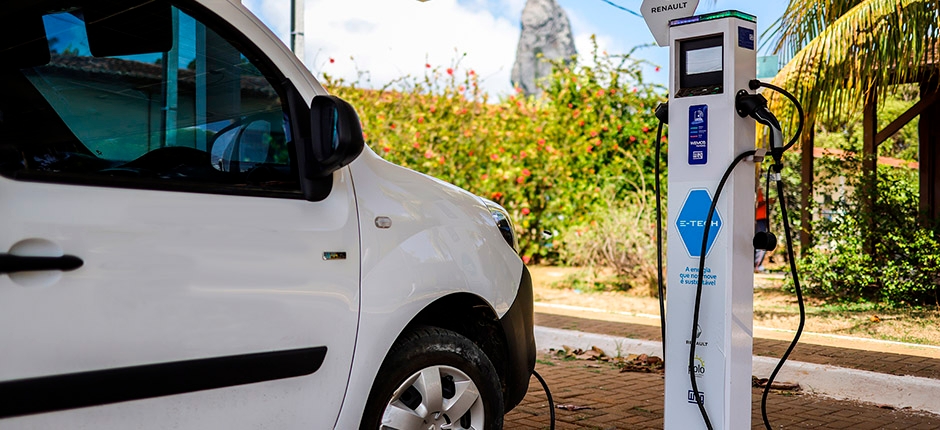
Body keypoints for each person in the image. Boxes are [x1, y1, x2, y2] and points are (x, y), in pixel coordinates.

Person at [755, 188, 769, 272]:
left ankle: (757, 264)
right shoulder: (755, 188)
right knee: (761, 240)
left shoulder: (758, 189)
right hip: (759, 219)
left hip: (761, 218)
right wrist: (767, 201)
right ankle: (757, 265)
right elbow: (756, 204)